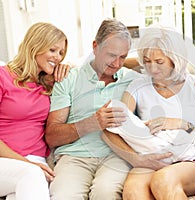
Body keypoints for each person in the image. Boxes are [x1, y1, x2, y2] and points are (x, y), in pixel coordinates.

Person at [45, 18, 172, 200]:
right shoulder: (68, 78)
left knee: (105, 193)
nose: (117, 63)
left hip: (117, 155)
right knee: (64, 195)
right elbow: (51, 136)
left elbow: (167, 68)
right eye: (111, 55)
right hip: (75, 157)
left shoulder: (133, 80)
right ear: (95, 47)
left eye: (123, 57)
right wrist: (91, 123)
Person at [103, 25, 195, 200]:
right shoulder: (138, 86)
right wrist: (136, 159)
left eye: (159, 62)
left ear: (175, 60)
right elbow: (114, 130)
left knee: (163, 180)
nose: (152, 68)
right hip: (152, 158)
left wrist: (178, 123)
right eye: (146, 61)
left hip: (193, 161)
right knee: (133, 190)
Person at [0, 22, 69, 200]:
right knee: (31, 175)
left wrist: (70, 70)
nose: (58, 57)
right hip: (6, 160)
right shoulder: (3, 77)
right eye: (53, 50)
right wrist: (27, 164)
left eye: (61, 53)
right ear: (35, 46)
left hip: (35, 162)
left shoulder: (48, 83)